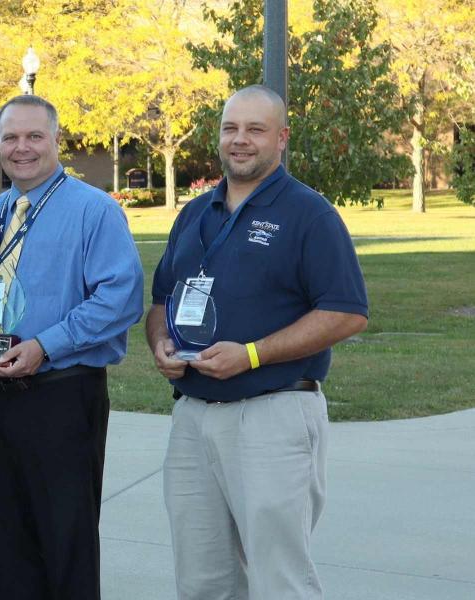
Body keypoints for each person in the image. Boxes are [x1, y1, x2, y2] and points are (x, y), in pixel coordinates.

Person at [147, 85, 368, 600]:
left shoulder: (308, 213)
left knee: (279, 579)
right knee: (202, 580)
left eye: (255, 129)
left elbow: (347, 312)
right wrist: (161, 343)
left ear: (282, 138)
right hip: (193, 415)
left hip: (272, 413)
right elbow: (162, 299)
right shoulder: (195, 212)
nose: (240, 140)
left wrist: (252, 354)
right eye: (230, 128)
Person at [0, 94, 144, 600]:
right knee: (5, 542)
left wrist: (45, 345)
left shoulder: (94, 211)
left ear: (58, 140)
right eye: (11, 137)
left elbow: (120, 298)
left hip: (62, 398)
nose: (22, 148)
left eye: (35, 136)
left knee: (66, 546)